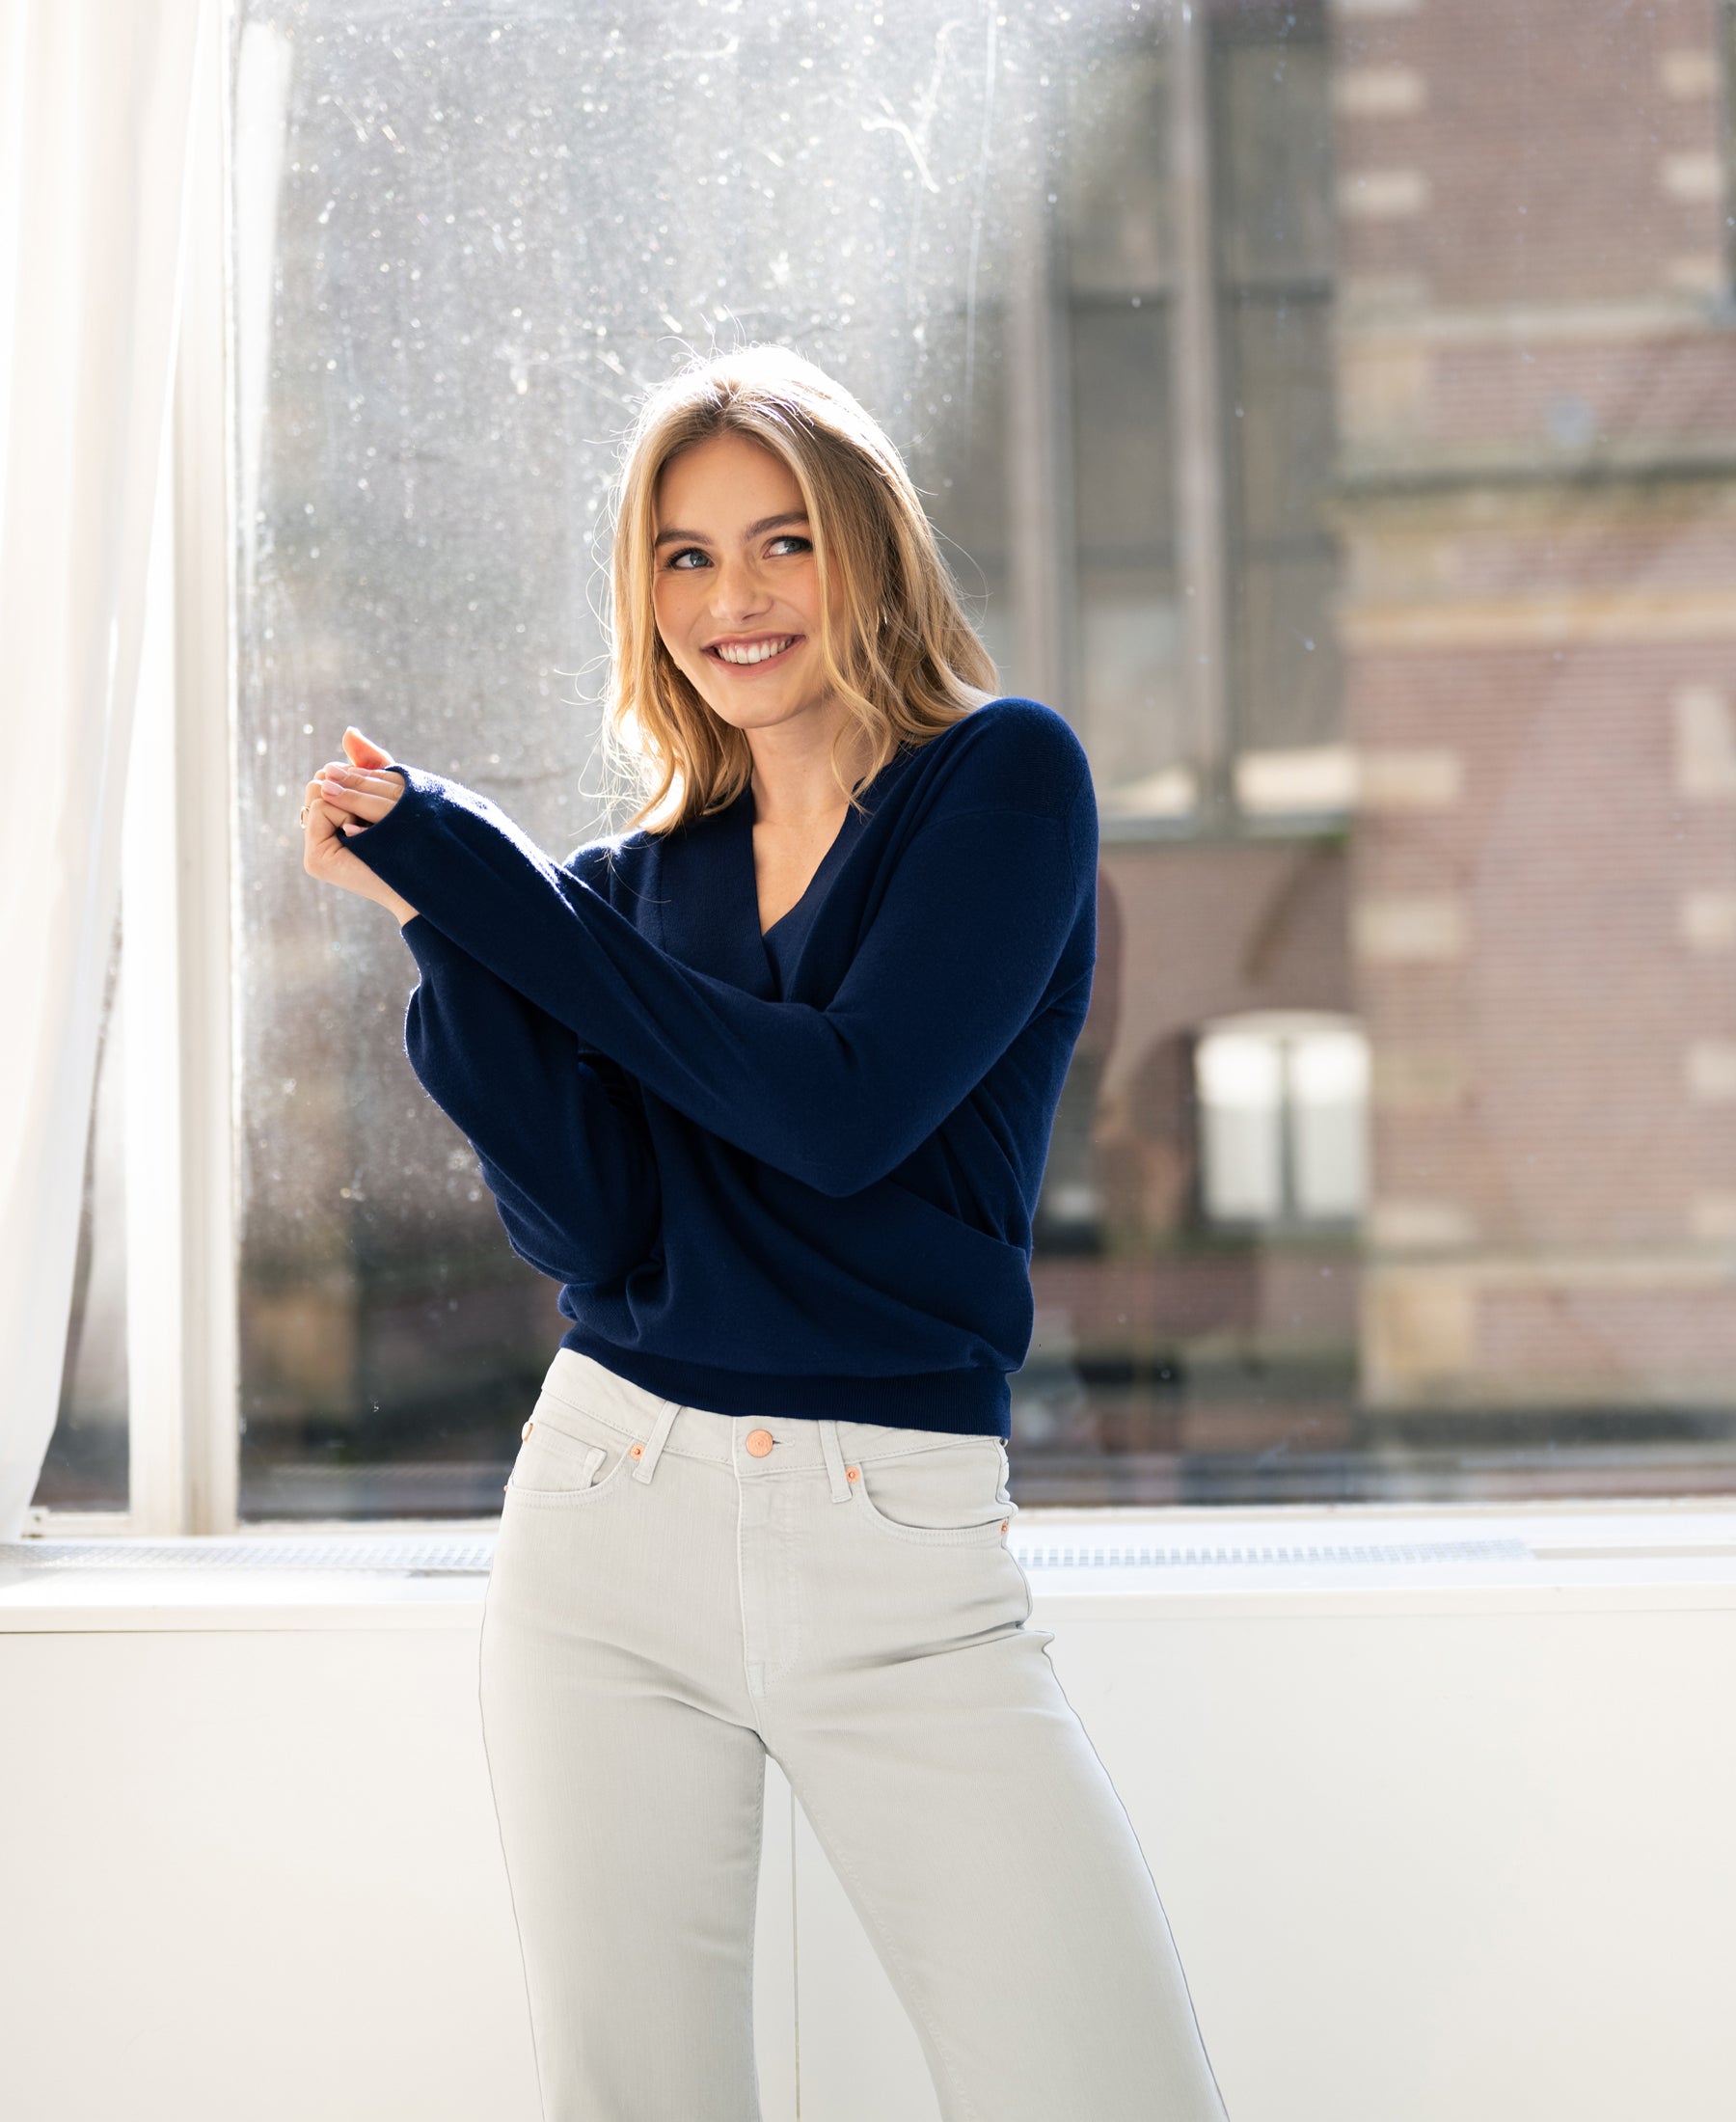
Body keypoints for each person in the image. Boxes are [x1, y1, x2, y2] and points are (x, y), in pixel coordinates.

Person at [299, 345, 1229, 2122]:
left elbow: (841, 1109)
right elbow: (593, 1227)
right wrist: (449, 924)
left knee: (1106, 2088)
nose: (737, 598)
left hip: (898, 1555)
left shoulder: (1001, 787)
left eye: (783, 541)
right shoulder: (634, 891)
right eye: (686, 555)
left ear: (868, 549)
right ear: (645, 600)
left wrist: (486, 883)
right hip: (605, 1524)